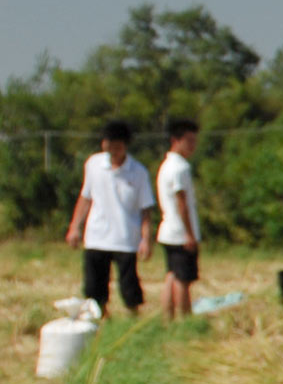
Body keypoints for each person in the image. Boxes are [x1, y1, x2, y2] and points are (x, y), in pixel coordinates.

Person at [65, 120, 155, 317]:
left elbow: (145, 210)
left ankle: (133, 317)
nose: (113, 151)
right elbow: (85, 198)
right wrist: (74, 227)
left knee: (129, 286)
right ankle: (101, 319)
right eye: (109, 146)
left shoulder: (138, 172)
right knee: (94, 288)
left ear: (125, 145)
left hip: (125, 239)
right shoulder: (93, 164)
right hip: (96, 237)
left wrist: (146, 239)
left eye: (118, 147)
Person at [156, 119, 202, 319]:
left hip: (168, 230)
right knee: (183, 280)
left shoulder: (166, 165)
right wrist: (189, 234)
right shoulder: (180, 167)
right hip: (179, 232)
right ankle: (185, 318)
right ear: (175, 140)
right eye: (189, 141)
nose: (193, 146)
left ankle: (168, 317)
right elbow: (181, 202)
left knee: (172, 275)